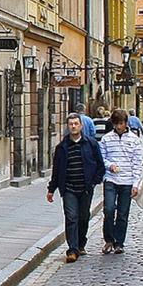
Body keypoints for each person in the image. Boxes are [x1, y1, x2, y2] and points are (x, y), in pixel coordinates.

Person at [47, 113, 106, 263]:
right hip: (68, 189)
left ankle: (80, 244)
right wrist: (51, 189)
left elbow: (100, 165)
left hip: (86, 188)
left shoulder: (91, 144)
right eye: (71, 124)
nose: (73, 126)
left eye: (76, 124)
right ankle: (72, 250)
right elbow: (57, 170)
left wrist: (95, 181)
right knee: (71, 217)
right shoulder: (62, 147)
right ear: (68, 127)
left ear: (81, 126)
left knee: (83, 217)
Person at [99, 109, 142, 254]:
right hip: (111, 179)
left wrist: (135, 184)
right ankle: (108, 240)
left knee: (123, 213)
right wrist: (109, 165)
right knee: (109, 209)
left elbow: (137, 163)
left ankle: (119, 242)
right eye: (116, 124)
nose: (119, 127)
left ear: (126, 123)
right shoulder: (106, 139)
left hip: (127, 180)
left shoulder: (134, 139)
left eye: (121, 124)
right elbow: (101, 158)